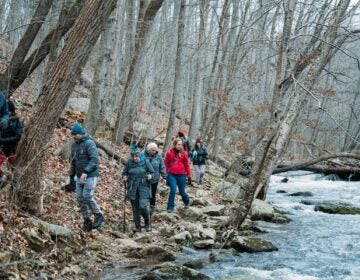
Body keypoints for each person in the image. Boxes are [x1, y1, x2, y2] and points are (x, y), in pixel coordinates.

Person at [69, 123, 104, 232]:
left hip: (90, 175)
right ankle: (87, 219)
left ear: (81, 133)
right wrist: (71, 176)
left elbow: (94, 160)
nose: (74, 136)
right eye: (73, 134)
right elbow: (73, 162)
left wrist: (86, 171)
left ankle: (98, 215)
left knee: (87, 195)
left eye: (75, 134)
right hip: (79, 176)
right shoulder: (74, 146)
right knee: (79, 198)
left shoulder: (90, 143)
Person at [122, 144, 154, 233]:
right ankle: (138, 227)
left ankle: (147, 223)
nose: (134, 158)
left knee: (143, 206)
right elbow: (124, 173)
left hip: (144, 187)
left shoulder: (145, 161)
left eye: (136, 156)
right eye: (132, 156)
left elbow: (153, 173)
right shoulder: (129, 162)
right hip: (132, 188)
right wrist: (124, 177)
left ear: (139, 155)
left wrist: (150, 176)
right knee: (135, 209)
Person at [164, 138, 192, 213]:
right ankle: (170, 207)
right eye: (178, 144)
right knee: (173, 190)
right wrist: (165, 175)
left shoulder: (184, 153)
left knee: (182, 192)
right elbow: (166, 164)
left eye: (181, 144)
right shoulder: (169, 153)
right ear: (174, 144)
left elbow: (187, 165)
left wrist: (189, 176)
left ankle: (187, 201)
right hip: (171, 174)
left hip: (182, 175)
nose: (180, 146)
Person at [0, 100, 23, 182]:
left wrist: (2, 140)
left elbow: (17, 137)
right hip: (2, 148)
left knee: (14, 167)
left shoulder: (17, 122)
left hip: (12, 148)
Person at [143, 142, 167, 214]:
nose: (154, 152)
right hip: (144, 179)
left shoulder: (158, 156)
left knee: (153, 194)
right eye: (152, 150)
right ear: (148, 149)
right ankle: (143, 208)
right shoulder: (142, 155)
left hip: (155, 179)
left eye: (155, 150)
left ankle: (152, 207)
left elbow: (162, 167)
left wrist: (164, 177)